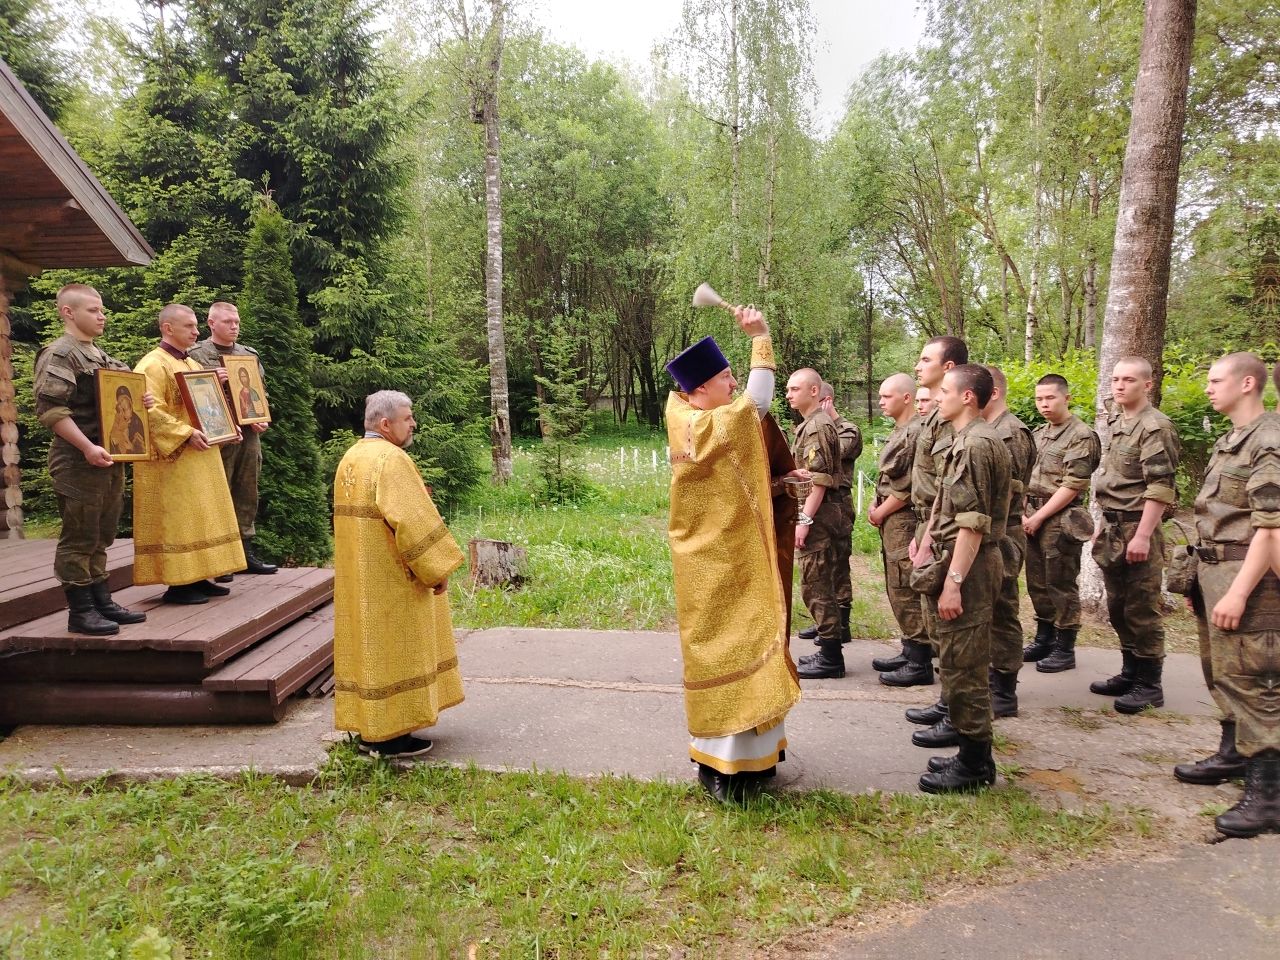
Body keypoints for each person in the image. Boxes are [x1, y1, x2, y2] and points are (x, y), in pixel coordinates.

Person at [665, 310, 802, 802]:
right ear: (700, 388)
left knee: (752, 641)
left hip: (730, 554)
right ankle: (722, 765)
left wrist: (779, 485)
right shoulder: (698, 424)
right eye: (726, 378)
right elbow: (758, 404)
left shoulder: (693, 415)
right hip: (716, 563)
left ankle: (760, 754)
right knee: (728, 651)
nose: (734, 384)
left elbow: (734, 484)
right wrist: (761, 338)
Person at [1173, 354, 1279, 837]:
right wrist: (1201, 579)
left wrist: (1237, 592)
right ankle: (1234, 753)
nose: (1209, 388)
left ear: (1248, 383)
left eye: (1216, 380)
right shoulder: (1231, 439)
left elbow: (1270, 530)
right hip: (1215, 570)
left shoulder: (1269, 440)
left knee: (1252, 682)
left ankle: (1269, 795)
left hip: (1248, 578)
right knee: (1221, 673)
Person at [333, 391, 466, 759]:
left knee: (371, 650)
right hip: (393, 577)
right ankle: (390, 737)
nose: (413, 424)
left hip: (361, 577)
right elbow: (411, 521)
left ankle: (372, 728)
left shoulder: (352, 456)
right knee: (396, 650)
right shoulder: (392, 459)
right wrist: (435, 570)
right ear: (385, 423)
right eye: (407, 418)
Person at [911, 364, 1010, 792]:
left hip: (969, 567)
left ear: (968, 396)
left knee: (966, 665)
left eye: (946, 391)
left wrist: (953, 582)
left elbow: (973, 523)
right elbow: (948, 507)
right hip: (960, 559)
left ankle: (976, 765)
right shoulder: (965, 440)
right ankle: (969, 752)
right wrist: (931, 539)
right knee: (954, 659)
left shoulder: (975, 445)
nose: (937, 398)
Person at [33, 284, 149, 635]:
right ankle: (80, 611)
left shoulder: (100, 356)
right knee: (80, 536)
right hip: (78, 460)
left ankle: (101, 599)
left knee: (102, 533)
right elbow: (51, 410)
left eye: (102, 310)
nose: (102, 316)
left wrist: (146, 405)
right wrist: (86, 447)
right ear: (68, 312)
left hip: (110, 457)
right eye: (93, 310)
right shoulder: (60, 354)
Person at [133, 304, 245, 603]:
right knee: (180, 519)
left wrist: (228, 428)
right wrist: (184, 433)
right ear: (168, 328)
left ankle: (200, 575)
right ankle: (179, 583)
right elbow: (148, 411)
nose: (197, 332)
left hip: (201, 453)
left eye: (196, 326)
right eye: (189, 327)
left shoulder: (192, 365)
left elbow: (208, 406)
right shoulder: (151, 365)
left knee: (203, 514)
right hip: (173, 460)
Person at [1089, 357, 1181, 713]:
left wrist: (1142, 536)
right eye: (1115, 379)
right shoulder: (1117, 422)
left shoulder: (1155, 427)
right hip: (1113, 525)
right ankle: (1130, 671)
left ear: (1148, 384)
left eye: (1128, 379)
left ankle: (1149, 683)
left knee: (1141, 607)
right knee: (1117, 606)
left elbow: (1160, 488)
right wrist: (1101, 523)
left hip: (1137, 525)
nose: (1120, 385)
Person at [903, 335, 968, 742]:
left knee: (954, 632)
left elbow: (951, 487)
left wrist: (930, 535)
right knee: (935, 624)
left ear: (948, 367)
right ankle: (947, 702)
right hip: (929, 524)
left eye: (925, 359)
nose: (917, 365)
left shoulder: (954, 419)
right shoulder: (933, 416)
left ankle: (961, 715)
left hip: (947, 528)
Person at [189, 302, 278, 578]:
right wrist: (212, 379)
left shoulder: (247, 355)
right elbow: (186, 392)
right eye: (227, 322)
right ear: (211, 323)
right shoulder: (195, 354)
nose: (234, 326)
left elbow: (257, 392)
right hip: (215, 435)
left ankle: (244, 550)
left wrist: (260, 416)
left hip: (248, 434)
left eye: (237, 321)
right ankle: (219, 558)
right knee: (217, 491)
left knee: (247, 488)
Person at [1021, 375, 1102, 671]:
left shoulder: (1081, 435)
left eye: (1050, 398)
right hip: (1031, 515)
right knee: (1037, 582)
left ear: (1066, 398)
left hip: (1059, 520)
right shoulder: (1038, 434)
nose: (1044, 404)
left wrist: (1039, 517)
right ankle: (1044, 639)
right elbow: (1023, 477)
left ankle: (1065, 648)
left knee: (1060, 582)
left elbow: (1074, 484)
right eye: (1039, 399)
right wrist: (1024, 514)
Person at [868, 373, 933, 687]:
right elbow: (888, 478)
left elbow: (909, 487)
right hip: (891, 518)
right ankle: (911, 648)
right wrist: (875, 503)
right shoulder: (900, 431)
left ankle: (920, 660)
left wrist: (881, 510)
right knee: (895, 583)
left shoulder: (917, 432)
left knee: (906, 584)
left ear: (906, 397)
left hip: (903, 520)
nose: (881, 402)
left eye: (887, 396)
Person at [787, 367, 851, 679]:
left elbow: (820, 481)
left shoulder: (817, 427)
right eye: (787, 390)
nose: (789, 395)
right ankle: (828, 650)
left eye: (795, 389)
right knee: (818, 583)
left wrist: (804, 519)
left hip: (820, 517)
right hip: (819, 515)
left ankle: (831, 657)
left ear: (815, 391)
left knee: (815, 584)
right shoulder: (809, 424)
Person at [982, 365, 1035, 717]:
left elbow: (1007, 493)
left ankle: (1005, 687)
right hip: (990, 532)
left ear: (994, 392)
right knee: (987, 610)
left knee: (1002, 609)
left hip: (1004, 533)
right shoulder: (989, 430)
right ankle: (990, 676)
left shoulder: (1011, 433)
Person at [796, 382, 862, 650]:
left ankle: (839, 626)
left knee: (836, 569)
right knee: (823, 571)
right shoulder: (816, 428)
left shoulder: (845, 430)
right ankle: (830, 625)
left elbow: (832, 458)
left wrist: (824, 423)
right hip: (821, 503)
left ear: (827, 399)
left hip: (837, 504)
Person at [108, 386, 146, 456]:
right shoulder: (118, 418)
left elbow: (141, 449)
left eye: (126, 409)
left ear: (130, 406)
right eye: (121, 409)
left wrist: (132, 447)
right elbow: (113, 438)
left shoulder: (137, 421)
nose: (123, 413)